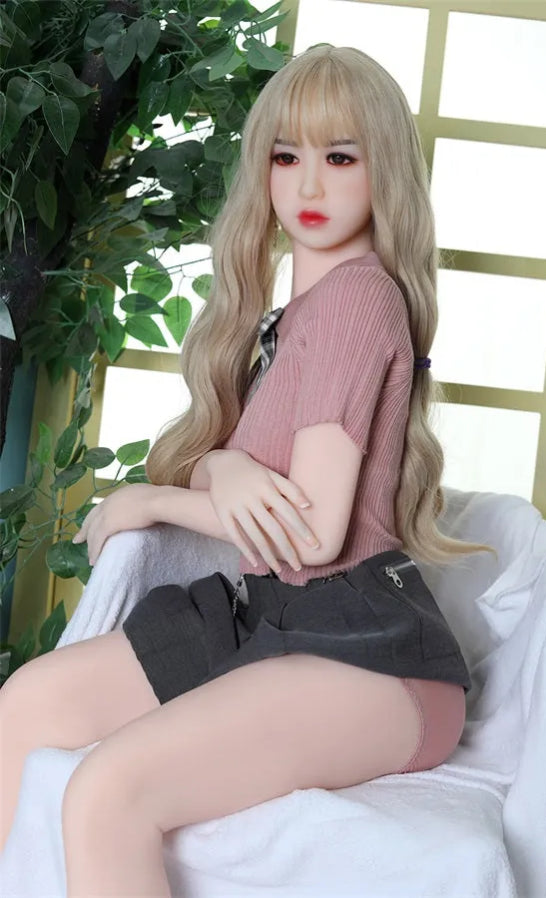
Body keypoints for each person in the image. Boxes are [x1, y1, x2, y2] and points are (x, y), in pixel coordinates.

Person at [0, 45, 497, 895]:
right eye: (286, 157)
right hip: (271, 619)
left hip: (374, 660)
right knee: (27, 703)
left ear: (383, 169)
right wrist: (223, 468)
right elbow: (258, 483)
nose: (309, 186)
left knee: (107, 793)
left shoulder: (357, 300)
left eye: (340, 157)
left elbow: (309, 533)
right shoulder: (292, 316)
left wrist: (155, 498)